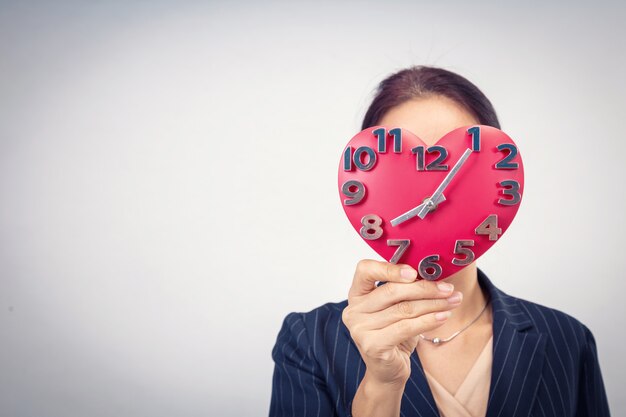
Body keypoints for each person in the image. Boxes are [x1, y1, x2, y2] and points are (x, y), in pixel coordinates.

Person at [268, 66, 611, 417]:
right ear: (368, 179)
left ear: (499, 177)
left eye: (457, 164)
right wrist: (381, 386)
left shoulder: (567, 340)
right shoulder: (309, 340)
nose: (431, 184)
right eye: (400, 162)